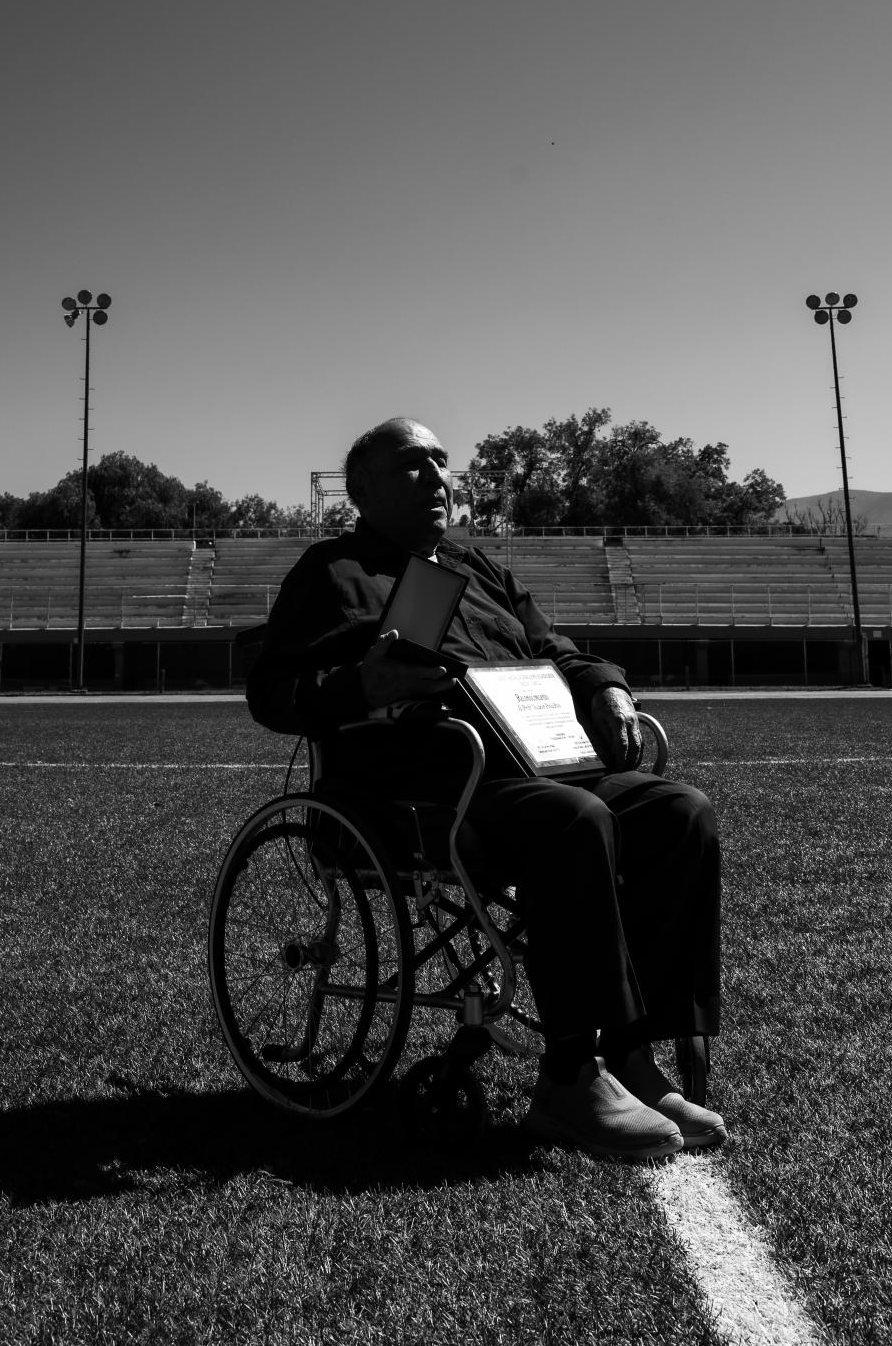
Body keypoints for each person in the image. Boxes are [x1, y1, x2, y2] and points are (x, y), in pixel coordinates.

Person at [247, 416, 727, 1162]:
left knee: (679, 812)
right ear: (362, 490)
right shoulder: (329, 573)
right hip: (423, 791)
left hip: (538, 763)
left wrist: (606, 689)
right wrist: (359, 684)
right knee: (574, 820)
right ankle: (570, 1078)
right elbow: (271, 692)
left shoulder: (479, 571)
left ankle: (632, 1055)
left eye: (442, 461)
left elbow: (555, 651)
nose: (437, 477)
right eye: (413, 465)